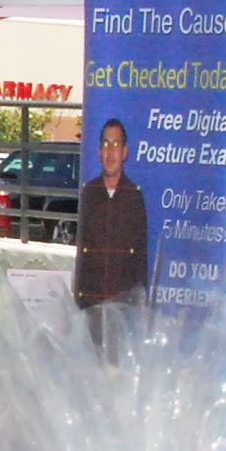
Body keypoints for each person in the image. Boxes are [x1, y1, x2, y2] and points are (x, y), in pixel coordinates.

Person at [74, 116, 150, 308]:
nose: (110, 151)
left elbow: (140, 260)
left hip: (122, 308)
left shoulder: (134, 195)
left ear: (125, 152)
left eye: (116, 144)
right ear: (99, 152)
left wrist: (137, 305)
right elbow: (82, 257)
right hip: (91, 305)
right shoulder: (89, 193)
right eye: (106, 144)